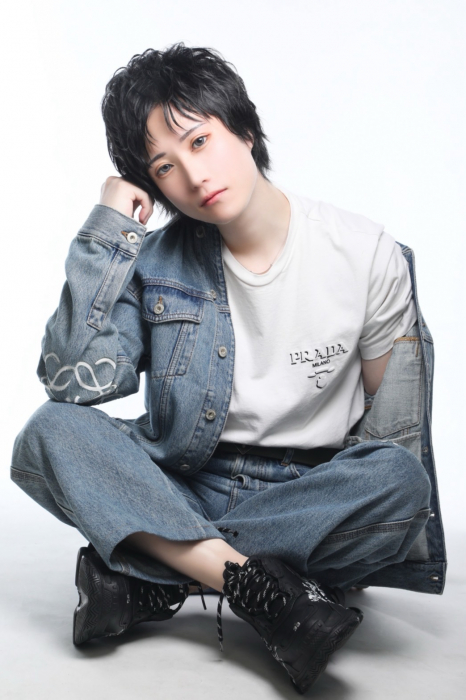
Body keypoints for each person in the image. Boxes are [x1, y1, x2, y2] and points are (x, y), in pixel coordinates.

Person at [10, 42, 434, 694]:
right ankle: (267, 591)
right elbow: (69, 380)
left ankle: (151, 575)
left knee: (399, 481)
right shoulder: (152, 261)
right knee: (51, 430)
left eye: (200, 141)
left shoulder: (365, 252)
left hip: (308, 491)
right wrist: (107, 233)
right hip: (184, 481)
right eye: (165, 166)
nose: (193, 175)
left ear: (244, 129)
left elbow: (391, 436)